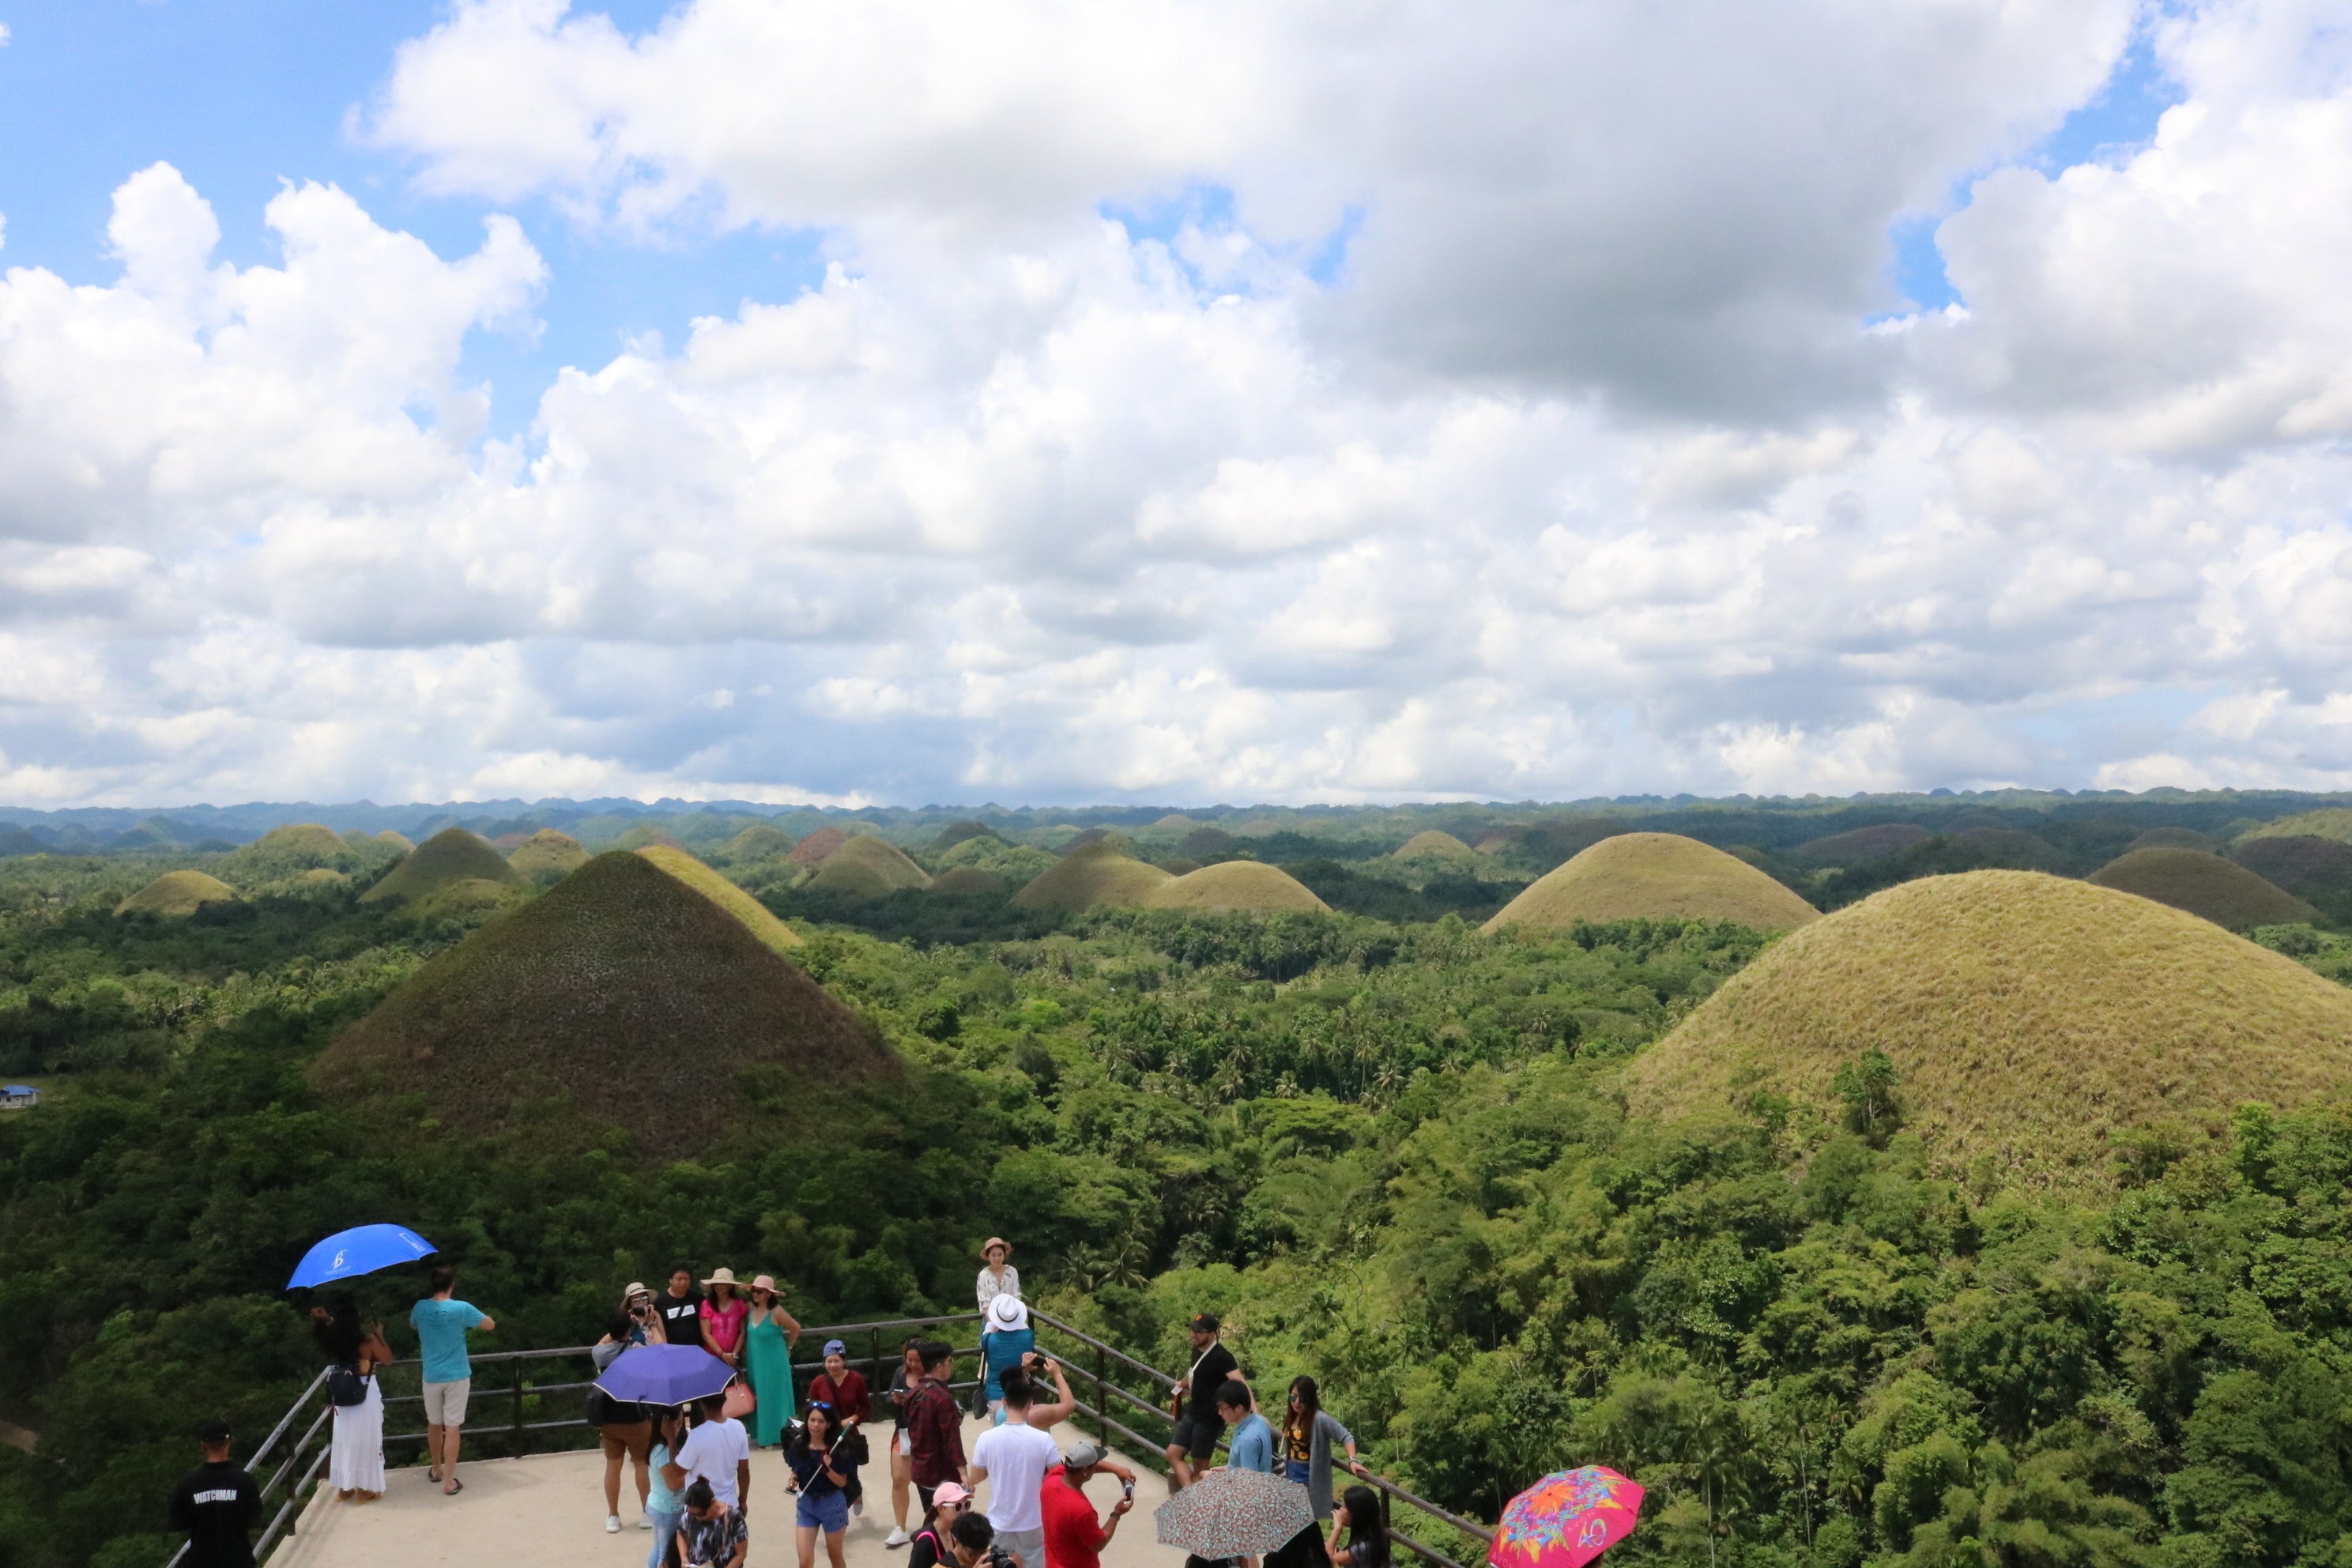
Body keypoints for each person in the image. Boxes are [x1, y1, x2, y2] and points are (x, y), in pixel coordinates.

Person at [409, 1263, 494, 1496]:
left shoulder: (420, 1307)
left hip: (431, 1375)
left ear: (432, 1285)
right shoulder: (462, 1308)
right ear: (452, 1285)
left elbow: (413, 1324)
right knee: (453, 1427)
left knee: (434, 1423)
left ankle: (436, 1469)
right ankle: (449, 1481)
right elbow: (489, 1325)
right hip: (457, 1375)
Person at [969, 1367, 1060, 1568]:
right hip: (1034, 1521)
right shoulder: (1044, 1440)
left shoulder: (987, 1439)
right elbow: (1058, 1478)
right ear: (1030, 1404)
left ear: (1004, 1403)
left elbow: (975, 1477)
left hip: (998, 1522)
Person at [591, 1289, 659, 1534]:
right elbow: (659, 1349)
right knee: (641, 1465)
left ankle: (613, 1516)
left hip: (609, 1418)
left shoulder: (600, 1353)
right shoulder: (638, 1352)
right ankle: (646, 1512)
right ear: (629, 1329)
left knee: (613, 1466)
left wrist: (616, 1330)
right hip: (636, 1416)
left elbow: (601, 1344)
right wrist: (649, 1324)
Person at [311, 1302, 392, 1503]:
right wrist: (380, 1334)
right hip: (364, 1391)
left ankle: (344, 1488)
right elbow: (388, 1359)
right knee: (367, 1439)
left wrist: (326, 1320)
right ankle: (364, 1490)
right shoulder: (367, 1341)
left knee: (345, 1440)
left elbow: (335, 1330)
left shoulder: (335, 1340)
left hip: (343, 1394)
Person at [169, 1419, 261, 1568]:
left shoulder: (188, 1483)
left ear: (203, 1446)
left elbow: (176, 1524)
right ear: (230, 1442)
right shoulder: (245, 1481)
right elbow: (255, 1520)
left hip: (201, 1562)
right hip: (239, 1561)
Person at [1164, 1314, 1238, 1491]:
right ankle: (1191, 1496)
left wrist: (1253, 1412)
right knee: (1173, 1453)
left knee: (1200, 1465)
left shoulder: (1222, 1356)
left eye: (1199, 1331)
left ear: (1212, 1334)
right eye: (1193, 1330)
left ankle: (1198, 1504)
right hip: (1194, 1412)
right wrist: (1182, 1384)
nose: (1194, 1334)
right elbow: (1194, 1373)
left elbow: (1239, 1383)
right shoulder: (1196, 1350)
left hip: (1209, 1417)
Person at [1038, 1440, 1136, 1568]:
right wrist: (1116, 1513)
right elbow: (1098, 1544)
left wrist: (1116, 1469)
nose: (1096, 1466)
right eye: (1094, 1465)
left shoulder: (1052, 1478)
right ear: (1085, 1470)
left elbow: (1078, 1468)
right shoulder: (1082, 1510)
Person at [788, 1400, 861, 1568]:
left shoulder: (838, 1449)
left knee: (835, 1557)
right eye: (812, 1420)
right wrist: (793, 1479)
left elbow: (842, 1483)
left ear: (829, 1425)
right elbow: (797, 1470)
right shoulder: (799, 1445)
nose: (815, 1425)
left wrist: (828, 1469)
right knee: (804, 1561)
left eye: (821, 1421)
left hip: (832, 1505)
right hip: (806, 1504)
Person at [906, 1340, 970, 1517]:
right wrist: (963, 1473)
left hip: (921, 1469)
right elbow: (952, 1440)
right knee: (946, 1522)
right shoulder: (942, 1398)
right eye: (950, 1361)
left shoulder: (915, 1391)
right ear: (940, 1366)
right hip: (941, 1473)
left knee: (932, 1517)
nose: (951, 1365)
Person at [808, 1340, 873, 1513]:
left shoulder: (856, 1380)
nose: (833, 1365)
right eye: (829, 1361)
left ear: (843, 1361)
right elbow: (811, 1409)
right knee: (827, 1472)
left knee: (850, 1473)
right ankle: (836, 1510)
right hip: (825, 1435)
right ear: (824, 1363)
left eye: (836, 1360)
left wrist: (851, 1419)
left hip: (847, 1435)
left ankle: (854, 1495)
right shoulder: (818, 1383)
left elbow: (865, 1407)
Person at [1282, 1377, 1363, 1514]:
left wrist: (1352, 1460)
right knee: (1291, 1516)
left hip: (1308, 1475)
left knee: (1302, 1517)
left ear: (1309, 1398)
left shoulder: (1320, 1419)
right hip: (1291, 1471)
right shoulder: (1292, 1416)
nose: (1296, 1402)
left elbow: (1346, 1436)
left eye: (1301, 1398)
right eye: (1293, 1397)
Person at [745, 1275, 801, 1449]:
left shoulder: (776, 1311)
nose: (755, 1294)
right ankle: (764, 1434)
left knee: (775, 1397)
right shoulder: (750, 1309)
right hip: (756, 1361)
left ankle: (779, 1435)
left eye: (759, 1291)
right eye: (754, 1291)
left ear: (769, 1294)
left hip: (774, 1361)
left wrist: (789, 1348)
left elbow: (795, 1328)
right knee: (760, 1396)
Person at [677, 1391, 752, 1517]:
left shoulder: (696, 1436)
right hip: (730, 1506)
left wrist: (671, 1440)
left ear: (702, 1404)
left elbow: (677, 1473)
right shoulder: (739, 1427)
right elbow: (744, 1470)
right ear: (724, 1400)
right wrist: (742, 1499)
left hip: (700, 1510)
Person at [885, 1339, 926, 1546]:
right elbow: (886, 1399)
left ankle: (932, 1524)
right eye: (909, 1360)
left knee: (929, 1481)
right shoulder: (900, 1374)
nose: (913, 1364)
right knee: (899, 1479)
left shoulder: (933, 1376)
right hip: (904, 1431)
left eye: (917, 1360)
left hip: (927, 1433)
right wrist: (895, 1399)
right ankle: (900, 1526)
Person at [980, 1295, 1035, 1421]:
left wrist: (992, 1324)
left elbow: (987, 1330)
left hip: (994, 1395)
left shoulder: (988, 1339)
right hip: (1021, 1394)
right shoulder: (1028, 1336)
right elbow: (1025, 1327)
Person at [647, 1406, 689, 1568]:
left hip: (659, 1505)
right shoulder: (662, 1451)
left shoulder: (656, 1447)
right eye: (678, 1424)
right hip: (668, 1510)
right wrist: (691, 1473)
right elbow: (672, 1485)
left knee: (658, 1549)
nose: (680, 1429)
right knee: (664, 1555)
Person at [680, 1478, 750, 1568]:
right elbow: (681, 1532)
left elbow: (741, 1554)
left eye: (701, 1514)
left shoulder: (734, 1518)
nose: (697, 1518)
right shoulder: (691, 1515)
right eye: (692, 1514)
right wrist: (684, 1558)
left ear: (712, 1502)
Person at [906, 1480, 973, 1568]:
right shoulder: (925, 1541)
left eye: (967, 1505)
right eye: (958, 1506)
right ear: (941, 1509)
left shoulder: (955, 1531)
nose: (964, 1511)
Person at [1324, 1486, 1392, 1568]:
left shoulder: (1361, 1548)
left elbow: (1324, 1560)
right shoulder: (1372, 1538)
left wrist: (1337, 1529)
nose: (1341, 1509)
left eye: (1345, 1507)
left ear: (1356, 1514)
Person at [1219, 1381, 1276, 1473]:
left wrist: (1216, 1478)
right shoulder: (1259, 1420)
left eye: (1222, 1408)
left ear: (1239, 1408)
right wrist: (1227, 1469)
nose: (1220, 1413)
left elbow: (1249, 1481)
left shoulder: (1247, 1440)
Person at [700, 1268, 751, 1370]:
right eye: (717, 1284)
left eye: (723, 1284)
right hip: (712, 1357)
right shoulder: (707, 1304)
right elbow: (706, 1334)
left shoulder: (739, 1304)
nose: (719, 1286)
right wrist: (722, 1354)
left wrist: (734, 1355)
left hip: (735, 1358)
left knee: (735, 1385)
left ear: (730, 1286)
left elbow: (742, 1332)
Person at [656, 1266, 707, 1351]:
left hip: (697, 1349)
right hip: (673, 1351)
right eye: (679, 1279)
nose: (683, 1282)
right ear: (671, 1280)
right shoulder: (660, 1302)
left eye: (686, 1279)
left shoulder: (698, 1297)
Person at [951, 1509, 1021, 1568]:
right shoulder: (941, 1566)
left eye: (983, 1552)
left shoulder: (989, 1556)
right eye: (974, 1554)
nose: (979, 1558)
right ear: (957, 1542)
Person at [976, 1238, 1020, 1313]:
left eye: (1000, 1255)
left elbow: (1016, 1297)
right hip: (990, 1319)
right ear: (988, 1256)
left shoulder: (1012, 1272)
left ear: (1004, 1255)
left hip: (1010, 1317)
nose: (997, 1258)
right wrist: (996, 1322)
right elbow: (984, 1303)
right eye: (993, 1255)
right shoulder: (983, 1275)